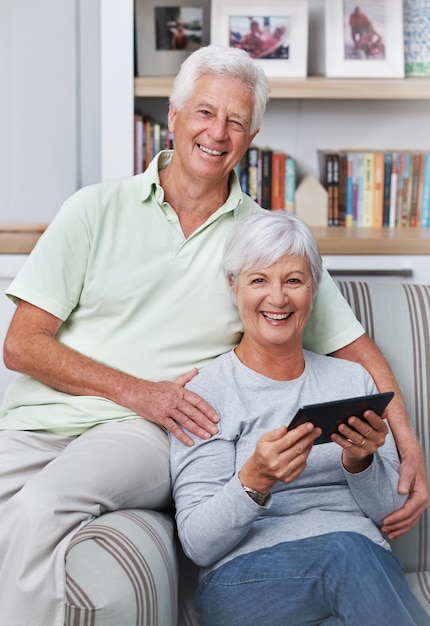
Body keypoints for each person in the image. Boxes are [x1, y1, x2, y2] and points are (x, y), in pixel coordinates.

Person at [0, 44, 427, 625]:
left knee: (42, 509)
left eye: (236, 121)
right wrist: (139, 389)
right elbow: (22, 345)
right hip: (42, 423)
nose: (217, 132)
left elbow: (357, 349)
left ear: (251, 138)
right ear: (172, 118)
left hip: (144, 431)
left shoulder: (263, 245)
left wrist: (408, 448)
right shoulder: (93, 211)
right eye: (204, 112)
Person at [170, 211, 430, 626]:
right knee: (345, 553)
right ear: (233, 286)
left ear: (313, 288)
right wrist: (254, 479)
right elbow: (198, 543)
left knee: (349, 562)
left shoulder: (352, 380)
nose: (278, 298)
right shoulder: (206, 393)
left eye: (293, 280)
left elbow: (392, 513)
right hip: (247, 581)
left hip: (362, 571)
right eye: (259, 280)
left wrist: (360, 464)